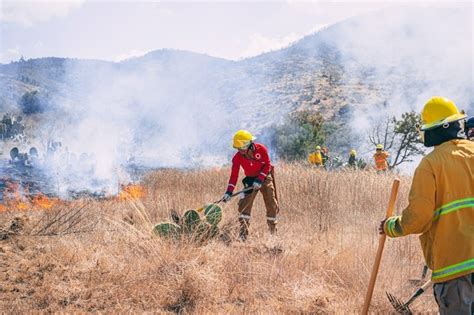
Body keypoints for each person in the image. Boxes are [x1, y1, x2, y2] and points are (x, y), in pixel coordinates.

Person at [379, 96, 473, 314]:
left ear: (433, 131)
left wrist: (391, 226)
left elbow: (418, 218)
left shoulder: (430, 165)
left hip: (455, 268)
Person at [222, 130, 279, 241]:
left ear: (247, 145)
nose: (238, 150)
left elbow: (267, 165)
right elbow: (234, 176)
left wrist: (260, 179)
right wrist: (228, 192)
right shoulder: (237, 157)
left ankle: (273, 234)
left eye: (240, 148)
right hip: (250, 179)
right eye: (237, 148)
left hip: (264, 177)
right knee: (244, 205)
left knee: (271, 203)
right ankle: (243, 235)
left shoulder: (261, 149)